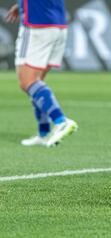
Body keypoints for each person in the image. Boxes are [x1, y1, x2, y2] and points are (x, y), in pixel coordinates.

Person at [4, 0, 78, 147]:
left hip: (36, 26)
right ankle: (44, 133)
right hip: (57, 25)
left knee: (27, 82)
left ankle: (61, 121)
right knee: (37, 82)